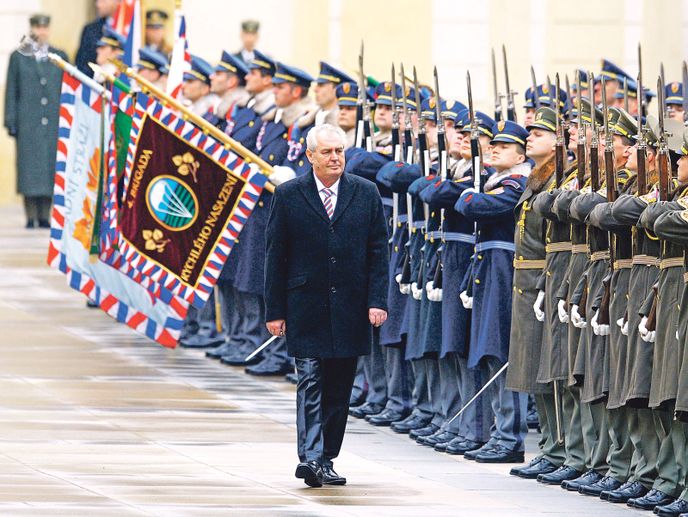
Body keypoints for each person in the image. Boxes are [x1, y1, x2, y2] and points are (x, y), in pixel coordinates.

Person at [264, 123, 389, 487]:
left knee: (339, 386)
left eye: (340, 151)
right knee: (311, 380)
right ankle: (311, 457)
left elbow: (378, 251)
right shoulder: (289, 195)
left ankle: (328, 457)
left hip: (351, 305)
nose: (335, 158)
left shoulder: (365, 193)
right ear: (310, 156)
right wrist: (275, 310)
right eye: (328, 152)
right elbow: (276, 256)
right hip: (305, 305)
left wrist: (377, 301)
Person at [4, 14, 68, 229]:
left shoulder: (59, 56)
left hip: (52, 121)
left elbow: (66, 90)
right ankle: (30, 215)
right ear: (32, 29)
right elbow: (12, 91)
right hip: (28, 121)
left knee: (50, 166)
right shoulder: (18, 56)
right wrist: (10, 120)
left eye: (44, 28)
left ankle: (45, 215)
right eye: (37, 28)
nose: (41, 32)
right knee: (29, 168)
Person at [75, 0, 120, 77]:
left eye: (103, 1)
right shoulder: (90, 29)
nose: (98, 5)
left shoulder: (133, 30)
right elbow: (81, 63)